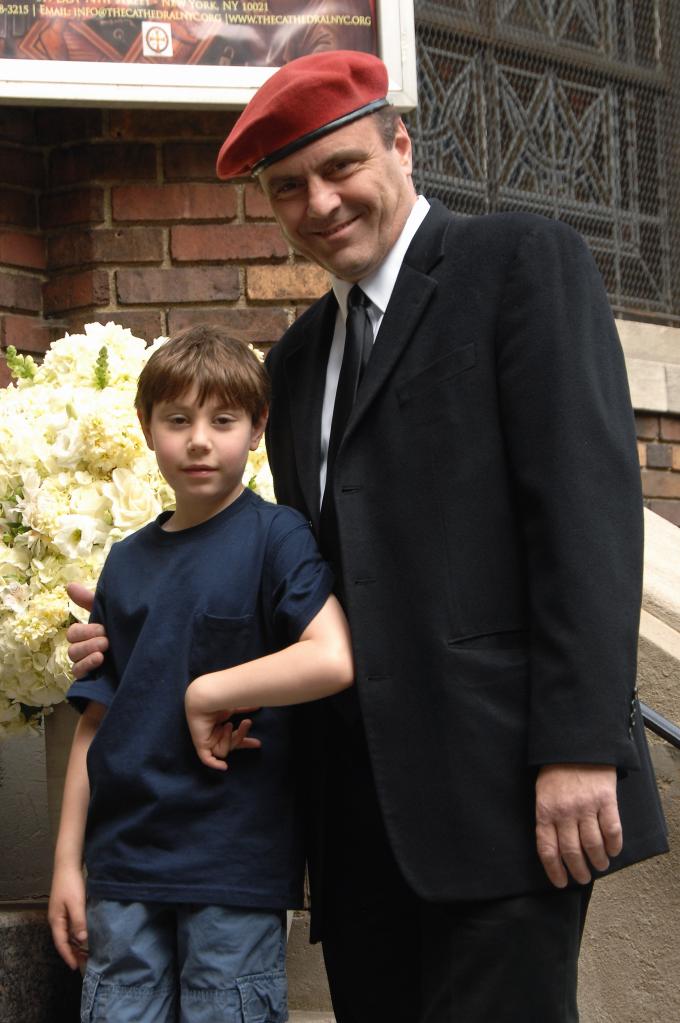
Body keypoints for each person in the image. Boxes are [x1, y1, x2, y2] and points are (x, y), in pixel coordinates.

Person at [67, 51, 668, 1023]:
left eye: (339, 166)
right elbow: (298, 577)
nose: (319, 200)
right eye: (288, 187)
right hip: (355, 827)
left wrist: (577, 745)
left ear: (398, 144)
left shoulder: (516, 265)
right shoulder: (299, 356)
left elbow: (581, 511)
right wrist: (143, 632)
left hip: (508, 793)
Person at [50, 325, 354, 1022]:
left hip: (232, 859)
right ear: (146, 426)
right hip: (123, 862)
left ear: (257, 428)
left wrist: (209, 690)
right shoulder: (125, 561)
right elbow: (97, 717)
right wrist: (68, 860)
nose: (198, 440)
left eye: (223, 420)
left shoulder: (277, 537)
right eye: (178, 419)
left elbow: (333, 655)